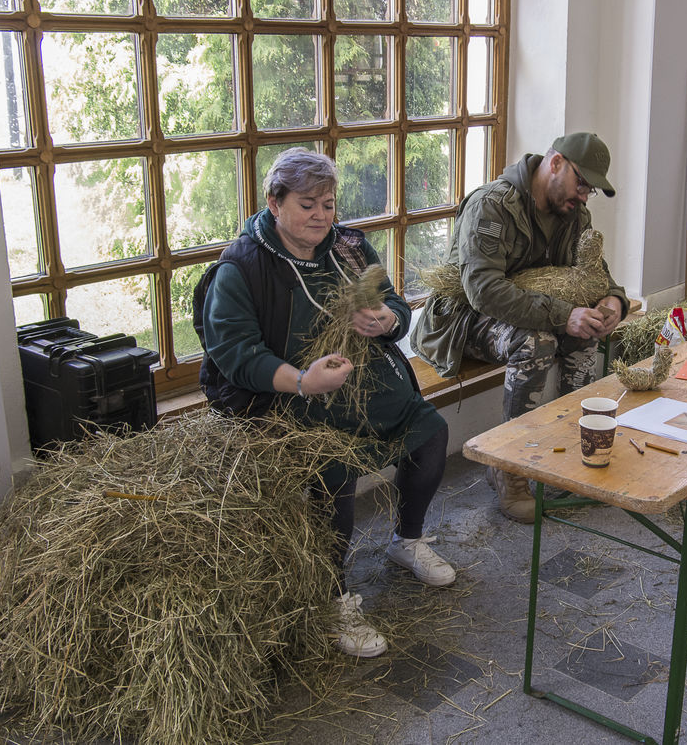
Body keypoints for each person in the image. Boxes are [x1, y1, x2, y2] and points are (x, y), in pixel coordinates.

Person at [198, 148, 455, 658]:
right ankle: (332, 597)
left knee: (431, 434)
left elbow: (396, 304)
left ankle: (407, 540)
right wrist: (301, 381)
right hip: (288, 399)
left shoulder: (351, 248)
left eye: (329, 204)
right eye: (307, 204)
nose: (321, 216)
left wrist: (386, 320)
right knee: (332, 471)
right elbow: (234, 353)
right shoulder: (243, 266)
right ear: (275, 203)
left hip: (362, 382)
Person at [410, 132, 628, 524]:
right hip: (464, 319)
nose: (583, 196)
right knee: (535, 341)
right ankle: (508, 467)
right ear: (556, 162)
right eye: (582, 183)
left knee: (585, 335)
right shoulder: (492, 205)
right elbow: (484, 292)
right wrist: (564, 315)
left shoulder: (573, 213)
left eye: (590, 191)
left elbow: (594, 272)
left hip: (531, 310)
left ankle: (567, 451)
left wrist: (613, 301)